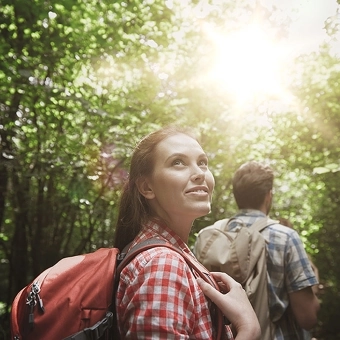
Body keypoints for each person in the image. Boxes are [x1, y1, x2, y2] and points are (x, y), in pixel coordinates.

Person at [113, 126, 261, 339]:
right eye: (178, 162)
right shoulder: (162, 264)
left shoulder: (166, 255)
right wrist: (249, 328)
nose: (200, 173)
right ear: (147, 187)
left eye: (202, 163)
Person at [227, 160, 320, 339]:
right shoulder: (285, 237)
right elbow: (307, 318)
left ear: (236, 195)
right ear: (269, 196)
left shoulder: (209, 236)